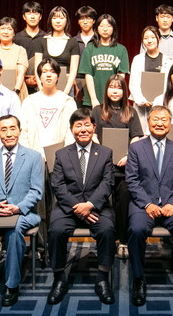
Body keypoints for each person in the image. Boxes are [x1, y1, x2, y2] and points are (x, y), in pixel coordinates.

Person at [125, 105, 173, 306]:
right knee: (136, 230)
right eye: (155, 119)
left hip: (172, 205)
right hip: (144, 205)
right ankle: (138, 279)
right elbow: (132, 180)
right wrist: (147, 204)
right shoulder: (136, 148)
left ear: (170, 123)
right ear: (148, 122)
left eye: (164, 119)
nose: (159, 123)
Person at [47, 108, 116, 305]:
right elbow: (57, 185)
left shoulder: (105, 152)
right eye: (78, 125)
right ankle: (59, 277)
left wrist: (90, 204)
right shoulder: (61, 154)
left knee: (107, 230)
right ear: (72, 129)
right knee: (56, 230)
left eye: (87, 125)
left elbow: (108, 183)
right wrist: (78, 207)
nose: (83, 129)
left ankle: (102, 278)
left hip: (97, 206)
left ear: (94, 127)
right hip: (69, 207)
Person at [0, 114, 43, 307]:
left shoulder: (33, 157)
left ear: (19, 131)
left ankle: (11, 284)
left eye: (12, 128)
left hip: (22, 212)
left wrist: (18, 208)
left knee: (14, 230)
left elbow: (36, 191)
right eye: (3, 129)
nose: (9, 133)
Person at [92, 75, 144, 259]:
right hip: (102, 167)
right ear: (106, 90)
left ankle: (123, 241)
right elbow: (93, 135)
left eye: (119, 87)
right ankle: (106, 239)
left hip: (124, 168)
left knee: (123, 200)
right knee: (102, 201)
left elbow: (136, 137)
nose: (115, 91)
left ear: (124, 91)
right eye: (112, 87)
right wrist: (103, 154)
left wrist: (129, 156)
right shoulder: (97, 111)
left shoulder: (131, 112)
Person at [19, 58, 77, 158]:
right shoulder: (29, 101)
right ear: (39, 77)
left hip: (60, 157)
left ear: (58, 76)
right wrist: (28, 155)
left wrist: (65, 156)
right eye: (44, 72)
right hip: (33, 156)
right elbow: (23, 131)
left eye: (52, 72)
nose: (48, 75)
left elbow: (71, 132)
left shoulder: (67, 102)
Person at [129, 26, 173, 135]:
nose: (149, 41)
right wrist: (142, 100)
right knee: (141, 134)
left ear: (159, 39)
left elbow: (169, 84)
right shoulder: (138, 59)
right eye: (146, 38)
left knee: (160, 132)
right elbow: (133, 83)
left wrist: (158, 101)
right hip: (141, 105)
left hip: (161, 104)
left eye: (153, 37)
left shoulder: (168, 60)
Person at [79, 14, 130, 107]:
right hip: (92, 99)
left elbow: (121, 76)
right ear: (97, 28)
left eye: (109, 26)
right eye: (102, 26)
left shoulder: (121, 49)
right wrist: (93, 99)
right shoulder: (89, 48)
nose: (105, 29)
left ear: (113, 28)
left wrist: (113, 96)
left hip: (113, 100)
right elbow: (88, 75)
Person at [33, 6, 79, 96]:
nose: (58, 21)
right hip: (44, 86)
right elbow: (37, 68)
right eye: (54, 18)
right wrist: (41, 89)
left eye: (61, 18)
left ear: (66, 21)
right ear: (50, 20)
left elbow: (73, 70)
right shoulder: (41, 41)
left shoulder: (73, 42)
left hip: (66, 86)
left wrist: (66, 92)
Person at [0, 17, 29, 100]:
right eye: (2, 28)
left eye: (9, 29)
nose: (5, 32)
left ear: (14, 33)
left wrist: (16, 91)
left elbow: (21, 73)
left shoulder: (20, 50)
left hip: (17, 92)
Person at [14, 1, 45, 95]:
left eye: (35, 13)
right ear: (24, 17)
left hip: (42, 83)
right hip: (20, 82)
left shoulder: (46, 38)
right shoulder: (16, 38)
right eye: (29, 13)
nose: (32, 17)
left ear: (40, 16)